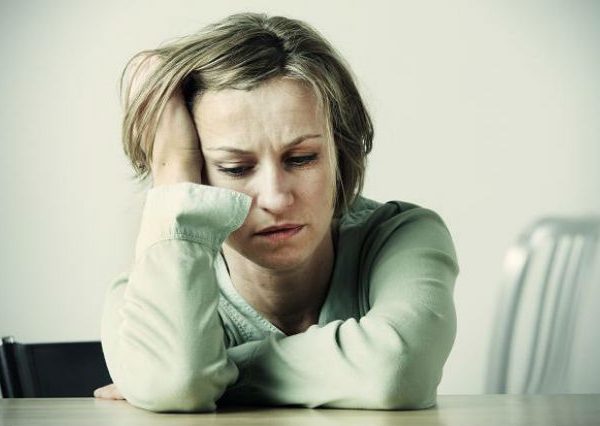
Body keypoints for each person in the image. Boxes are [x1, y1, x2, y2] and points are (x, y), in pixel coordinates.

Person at [94, 12, 459, 412]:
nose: (276, 198)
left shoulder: (402, 237)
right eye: (236, 168)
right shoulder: (141, 299)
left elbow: (395, 370)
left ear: (340, 153)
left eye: (301, 159)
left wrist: (215, 376)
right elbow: (176, 383)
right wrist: (173, 169)